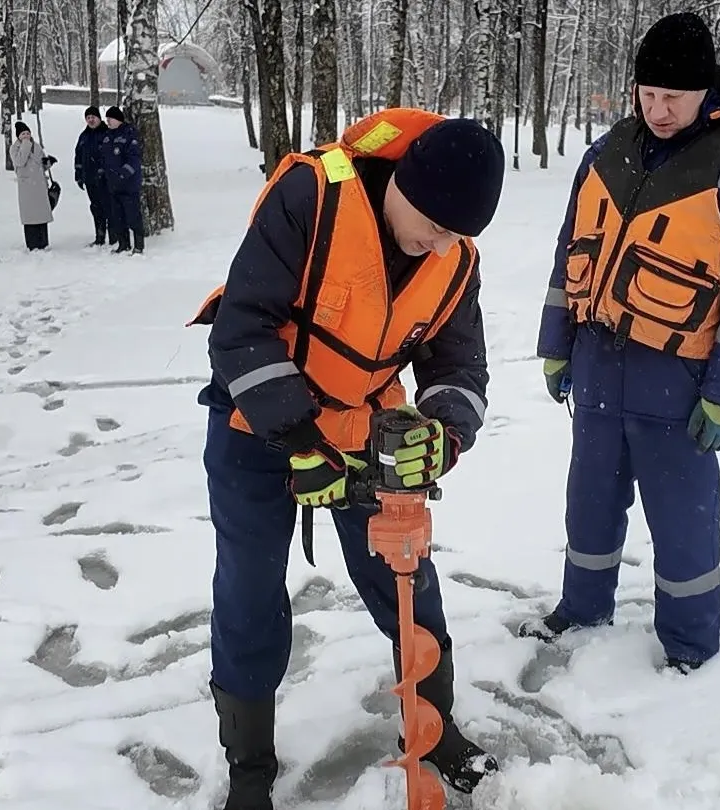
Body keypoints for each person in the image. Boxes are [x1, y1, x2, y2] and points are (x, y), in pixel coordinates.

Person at [185, 107, 505, 810]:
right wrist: (299, 441)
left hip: (365, 428)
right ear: (402, 180)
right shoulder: (312, 195)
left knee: (407, 576)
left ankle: (435, 724)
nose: (436, 243)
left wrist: (442, 435)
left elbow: (460, 368)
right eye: (432, 222)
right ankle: (248, 763)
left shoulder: (453, 259)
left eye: (456, 234)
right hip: (255, 427)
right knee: (248, 588)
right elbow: (241, 330)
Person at [520, 11, 720, 673]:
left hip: (678, 379)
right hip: (597, 364)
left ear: (706, 93)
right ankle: (582, 610)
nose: (659, 110)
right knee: (590, 504)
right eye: (648, 95)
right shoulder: (608, 150)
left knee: (683, 522)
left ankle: (691, 643)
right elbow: (571, 251)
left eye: (675, 97)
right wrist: (557, 343)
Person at [99, 106, 144, 254]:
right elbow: (104, 158)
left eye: (110, 119)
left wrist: (123, 173)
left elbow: (134, 159)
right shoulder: (107, 137)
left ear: (118, 119)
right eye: (107, 119)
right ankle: (123, 244)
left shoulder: (129, 134)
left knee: (133, 216)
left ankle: (138, 245)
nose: (108, 121)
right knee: (118, 217)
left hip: (129, 185)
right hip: (113, 185)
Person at [9, 121, 53, 251]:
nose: (26, 136)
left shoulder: (37, 146)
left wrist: (48, 163)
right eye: (23, 134)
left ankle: (43, 241)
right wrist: (26, 145)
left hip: (39, 186)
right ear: (18, 136)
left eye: (28, 133)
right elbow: (20, 161)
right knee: (30, 216)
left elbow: (40, 165)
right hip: (27, 186)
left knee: (41, 215)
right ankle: (32, 243)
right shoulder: (15, 148)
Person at [74, 106, 115, 247]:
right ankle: (100, 236)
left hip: (105, 180)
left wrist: (104, 171)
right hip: (90, 179)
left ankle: (114, 237)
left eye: (93, 117)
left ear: (99, 118)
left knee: (108, 208)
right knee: (96, 208)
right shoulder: (84, 136)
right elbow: (78, 156)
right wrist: (78, 174)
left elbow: (111, 156)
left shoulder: (107, 133)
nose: (91, 120)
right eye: (88, 118)